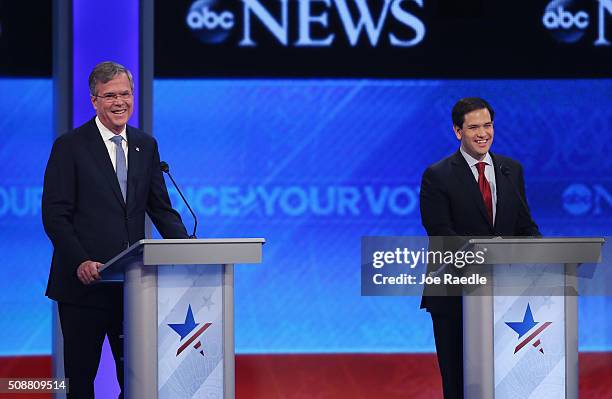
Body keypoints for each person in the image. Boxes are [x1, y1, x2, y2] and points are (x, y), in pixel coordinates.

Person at [42, 61, 188, 398]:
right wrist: (80, 260)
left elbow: (161, 209)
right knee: (80, 382)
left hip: (133, 286)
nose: (119, 102)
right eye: (110, 96)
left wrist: (186, 252)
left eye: (124, 94)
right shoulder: (70, 146)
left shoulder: (145, 145)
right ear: (94, 100)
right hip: (84, 286)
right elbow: (55, 214)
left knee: (137, 381)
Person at [419, 97, 540, 399]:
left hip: (506, 294)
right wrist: (490, 253)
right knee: (460, 385)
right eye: (474, 127)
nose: (483, 133)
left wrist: (544, 256)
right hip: (456, 295)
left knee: (505, 382)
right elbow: (440, 233)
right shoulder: (438, 175)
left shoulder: (511, 170)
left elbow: (525, 226)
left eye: (487, 125)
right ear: (458, 131)